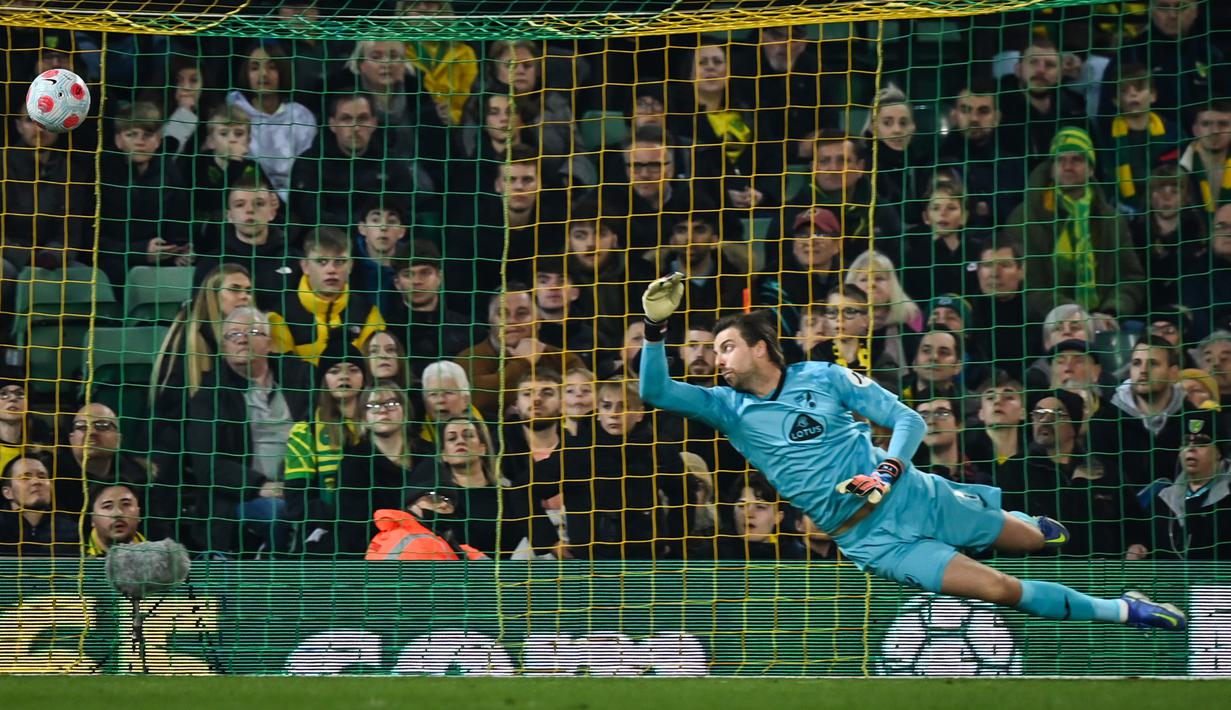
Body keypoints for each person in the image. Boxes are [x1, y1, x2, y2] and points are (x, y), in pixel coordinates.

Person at [638, 272, 1187, 630]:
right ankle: (1124, 609)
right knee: (998, 588)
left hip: (912, 494)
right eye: (714, 351)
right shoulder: (727, 408)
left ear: (760, 347)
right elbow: (655, 392)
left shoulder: (825, 377)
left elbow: (904, 419)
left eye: (728, 346)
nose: (719, 359)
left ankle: (1024, 522)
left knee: (1029, 540)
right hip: (868, 538)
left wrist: (886, 468)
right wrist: (655, 328)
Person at [187, 306, 313, 555]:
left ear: (269, 342)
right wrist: (260, 486)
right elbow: (207, 465)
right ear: (223, 346)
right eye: (234, 335)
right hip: (245, 497)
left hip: (305, 486)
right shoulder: (210, 396)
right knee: (280, 514)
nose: (243, 339)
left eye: (254, 331)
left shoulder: (300, 377)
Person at [1005, 127, 1146, 321]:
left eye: (1076, 160)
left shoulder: (1110, 219)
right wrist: (1073, 315)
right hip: (1045, 323)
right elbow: (1026, 284)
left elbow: (1131, 277)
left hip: (1103, 321)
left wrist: (1112, 311)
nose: (1067, 166)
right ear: (1051, 169)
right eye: (1060, 160)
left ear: (1091, 169)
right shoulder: (1024, 217)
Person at [284, 349, 367, 556]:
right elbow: (297, 504)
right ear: (323, 380)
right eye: (335, 370)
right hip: (327, 533)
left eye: (353, 370)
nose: (344, 376)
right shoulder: (305, 431)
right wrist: (344, 513)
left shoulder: (380, 428)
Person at [98, 100, 190, 285]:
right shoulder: (102, 171)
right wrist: (139, 252)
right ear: (118, 140)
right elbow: (90, 238)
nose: (140, 141)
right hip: (113, 259)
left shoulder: (169, 172)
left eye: (147, 134)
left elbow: (179, 225)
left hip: (161, 258)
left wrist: (178, 250)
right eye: (132, 134)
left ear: (158, 140)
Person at [267, 226, 385, 365]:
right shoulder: (280, 317)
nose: (331, 270)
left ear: (351, 266)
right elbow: (284, 375)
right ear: (305, 266)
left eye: (340, 261)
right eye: (322, 262)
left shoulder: (369, 314)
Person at [407, 416, 522, 558]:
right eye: (451, 438)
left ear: (482, 448)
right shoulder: (438, 501)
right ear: (444, 455)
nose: (460, 441)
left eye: (468, 435)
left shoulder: (511, 495)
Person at [1089, 336, 1191, 487]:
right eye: (1137, 363)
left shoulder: (1194, 419)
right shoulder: (1104, 422)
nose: (1143, 371)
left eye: (1153, 364)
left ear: (1173, 373)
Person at [336, 384, 424, 557]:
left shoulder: (428, 456)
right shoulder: (353, 463)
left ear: (405, 411)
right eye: (373, 406)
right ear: (364, 418)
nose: (383, 410)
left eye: (391, 403)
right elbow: (354, 529)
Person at [226, 42, 316, 198]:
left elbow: (309, 172)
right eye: (254, 68)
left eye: (272, 67)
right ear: (245, 74)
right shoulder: (233, 112)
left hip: (296, 201)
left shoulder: (301, 116)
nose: (263, 74)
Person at [1142, 408, 1231, 560]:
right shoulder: (1162, 501)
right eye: (1185, 442)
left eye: (1201, 443)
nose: (1191, 449)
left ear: (1219, 452)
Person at [383, 239, 480, 378]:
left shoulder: (471, 331)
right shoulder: (388, 333)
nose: (417, 281)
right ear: (397, 283)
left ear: (439, 277)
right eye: (408, 274)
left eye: (425, 272)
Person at [0, 452, 78, 557]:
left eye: (42, 476)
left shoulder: (70, 531)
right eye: (25, 477)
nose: (36, 481)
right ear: (7, 492)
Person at [1178, 101, 1231, 215]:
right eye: (1206, 124)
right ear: (1195, 130)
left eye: (1223, 124)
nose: (1214, 131)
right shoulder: (1171, 162)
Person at [84, 482, 147, 557]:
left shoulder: (156, 551)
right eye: (107, 506)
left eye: (126, 504)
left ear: (139, 514)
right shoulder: (73, 552)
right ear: (93, 519)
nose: (118, 513)